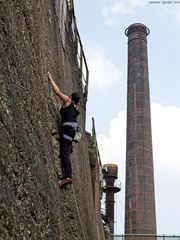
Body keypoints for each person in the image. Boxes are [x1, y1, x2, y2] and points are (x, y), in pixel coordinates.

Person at [48, 72, 81, 188]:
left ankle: (67, 177)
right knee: (64, 154)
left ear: (71, 97)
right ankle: (66, 177)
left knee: (65, 155)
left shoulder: (68, 101)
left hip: (66, 132)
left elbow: (57, 92)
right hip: (69, 134)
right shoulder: (75, 109)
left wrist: (50, 78)